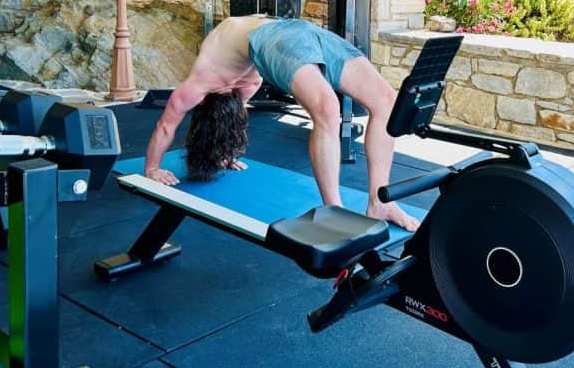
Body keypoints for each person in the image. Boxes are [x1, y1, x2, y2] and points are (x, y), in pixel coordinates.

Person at [143, 14, 419, 231]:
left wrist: (159, 165)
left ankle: (380, 204)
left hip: (289, 29)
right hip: (279, 35)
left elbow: (168, 126)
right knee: (328, 108)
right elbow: (170, 125)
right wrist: (152, 169)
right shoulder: (210, 85)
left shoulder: (208, 84)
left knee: (386, 101)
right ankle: (334, 211)